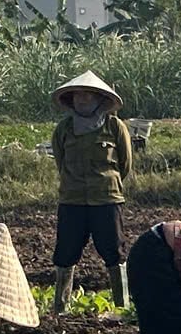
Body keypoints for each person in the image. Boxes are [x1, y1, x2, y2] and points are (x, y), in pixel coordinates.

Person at [47, 70, 134, 312]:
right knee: (65, 252)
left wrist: (105, 182)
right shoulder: (64, 129)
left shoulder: (114, 127)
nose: (82, 99)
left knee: (114, 251)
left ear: (99, 99)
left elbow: (125, 164)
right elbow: (61, 161)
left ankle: (121, 305)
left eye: (88, 95)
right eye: (77, 95)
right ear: (71, 100)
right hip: (72, 199)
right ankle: (60, 307)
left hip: (106, 198)